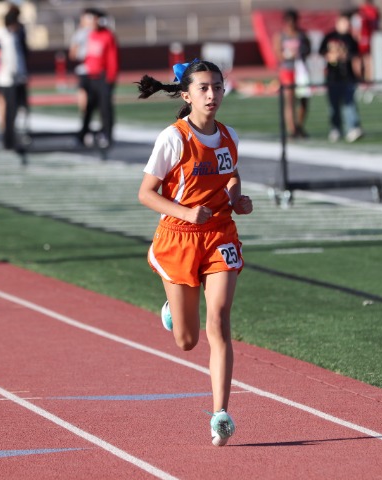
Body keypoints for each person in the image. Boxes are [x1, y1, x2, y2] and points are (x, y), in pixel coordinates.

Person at [136, 59, 253, 447]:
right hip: (180, 237)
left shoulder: (229, 135)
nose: (211, 94)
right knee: (186, 340)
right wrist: (186, 212)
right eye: (203, 88)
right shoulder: (173, 138)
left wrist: (236, 198)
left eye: (217, 87)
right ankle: (173, 309)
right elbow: (146, 193)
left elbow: (230, 173)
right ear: (186, 95)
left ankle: (221, 414)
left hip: (219, 233)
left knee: (218, 320)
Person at [319, 11, 363, 143]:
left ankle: (352, 127)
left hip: (348, 76)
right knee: (334, 105)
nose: (346, 25)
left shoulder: (350, 38)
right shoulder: (329, 36)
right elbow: (321, 52)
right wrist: (330, 56)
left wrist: (346, 58)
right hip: (333, 76)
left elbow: (356, 55)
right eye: (344, 22)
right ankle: (336, 128)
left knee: (349, 103)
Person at [0, 6, 29, 151]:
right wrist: (18, 74)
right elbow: (12, 61)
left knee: (12, 111)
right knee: (10, 111)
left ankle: (10, 138)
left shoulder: (9, 36)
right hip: (9, 79)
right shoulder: (7, 37)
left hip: (10, 78)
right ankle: (8, 140)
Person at [272, 8, 312, 139]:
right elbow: (278, 54)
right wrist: (287, 55)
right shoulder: (280, 36)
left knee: (304, 99)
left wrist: (301, 52)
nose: (291, 24)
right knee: (289, 101)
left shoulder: (302, 34)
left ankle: (299, 126)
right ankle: (292, 129)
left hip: (300, 70)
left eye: (293, 21)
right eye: (288, 21)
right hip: (287, 70)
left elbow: (309, 49)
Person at [83, 8, 119, 150]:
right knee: (89, 107)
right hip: (91, 77)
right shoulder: (91, 35)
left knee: (105, 108)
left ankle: (107, 136)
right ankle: (85, 133)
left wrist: (111, 78)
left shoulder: (108, 35)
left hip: (103, 77)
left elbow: (112, 58)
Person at [68, 8, 93, 145]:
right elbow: (73, 53)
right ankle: (86, 128)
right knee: (85, 100)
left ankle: (92, 129)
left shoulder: (98, 32)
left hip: (95, 71)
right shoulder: (80, 33)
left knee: (95, 101)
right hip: (86, 71)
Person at [356, 0, 380, 81]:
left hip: (365, 38)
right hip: (367, 38)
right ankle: (366, 79)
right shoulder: (369, 10)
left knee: (364, 60)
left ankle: (365, 80)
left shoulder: (364, 10)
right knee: (365, 60)